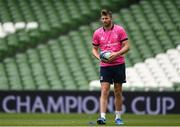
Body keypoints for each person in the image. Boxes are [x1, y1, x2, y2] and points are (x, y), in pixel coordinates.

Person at [92, 9, 130, 125]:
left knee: (118, 92)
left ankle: (118, 117)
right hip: (105, 66)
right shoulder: (97, 33)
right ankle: (102, 117)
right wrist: (99, 57)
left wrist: (116, 54)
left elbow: (127, 46)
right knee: (104, 91)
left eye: (106, 18)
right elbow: (94, 48)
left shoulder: (119, 30)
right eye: (102, 18)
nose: (104, 20)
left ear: (111, 18)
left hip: (118, 64)